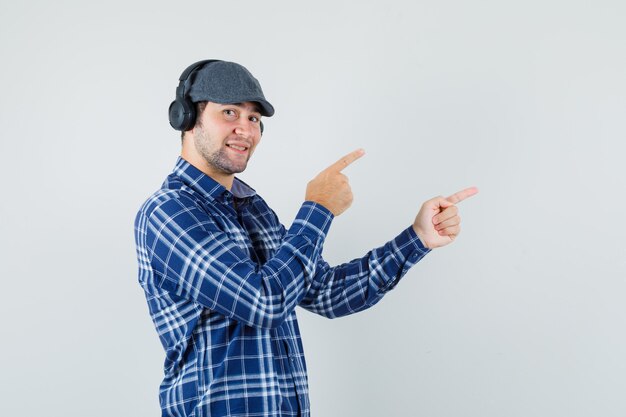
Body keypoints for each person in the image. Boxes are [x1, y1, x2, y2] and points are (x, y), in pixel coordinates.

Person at [134, 59, 477, 417]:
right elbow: (264, 302)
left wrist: (417, 238)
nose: (246, 130)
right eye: (230, 113)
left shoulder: (253, 209)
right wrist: (318, 208)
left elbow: (327, 293)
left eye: (253, 118)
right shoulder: (167, 213)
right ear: (187, 118)